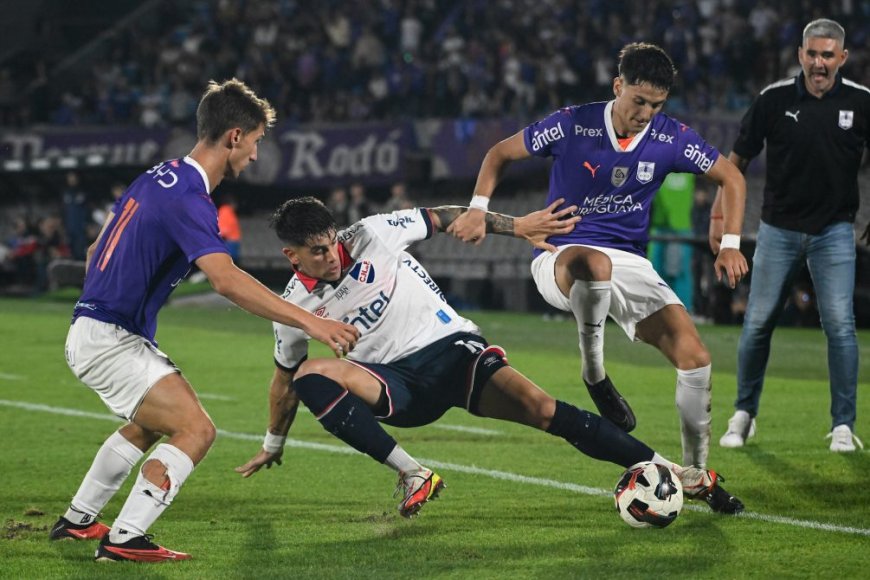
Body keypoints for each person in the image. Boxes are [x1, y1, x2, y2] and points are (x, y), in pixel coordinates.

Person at [235, 196, 744, 517]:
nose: (331, 256)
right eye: (317, 252)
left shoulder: (372, 232)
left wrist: (516, 225)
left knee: (547, 411)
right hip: (397, 386)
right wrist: (273, 442)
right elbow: (283, 380)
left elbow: (446, 216)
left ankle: (681, 474)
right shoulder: (293, 307)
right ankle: (413, 472)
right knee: (309, 374)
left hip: (455, 352)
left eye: (331, 244)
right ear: (291, 255)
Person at [49, 79, 360, 562]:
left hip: (96, 328)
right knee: (197, 429)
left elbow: (95, 250)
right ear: (234, 137)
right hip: (109, 337)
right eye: (256, 142)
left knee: (150, 424)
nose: (256, 156)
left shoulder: (157, 176)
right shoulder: (191, 198)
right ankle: (125, 539)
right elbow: (225, 280)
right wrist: (312, 323)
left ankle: (77, 521)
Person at [447, 43, 749, 471]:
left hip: (630, 261)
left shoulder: (671, 138)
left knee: (695, 359)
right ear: (617, 86)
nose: (645, 113)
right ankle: (595, 374)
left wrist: (732, 241)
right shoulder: (573, 123)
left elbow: (731, 177)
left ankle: (697, 472)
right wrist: (478, 207)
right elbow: (500, 153)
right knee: (595, 264)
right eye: (638, 100)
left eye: (656, 105)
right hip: (559, 255)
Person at [716, 19, 867, 453]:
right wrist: (717, 217)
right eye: (812, 54)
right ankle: (744, 413)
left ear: (842, 57)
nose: (819, 63)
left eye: (827, 55)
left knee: (840, 325)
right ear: (800, 54)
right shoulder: (773, 98)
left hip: (835, 232)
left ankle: (842, 424)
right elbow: (735, 163)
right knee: (758, 323)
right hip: (777, 229)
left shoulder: (862, 102)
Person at [217, 193, 242, 263]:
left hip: (231, 242)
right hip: (229, 243)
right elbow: (222, 229)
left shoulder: (228, 211)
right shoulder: (225, 211)